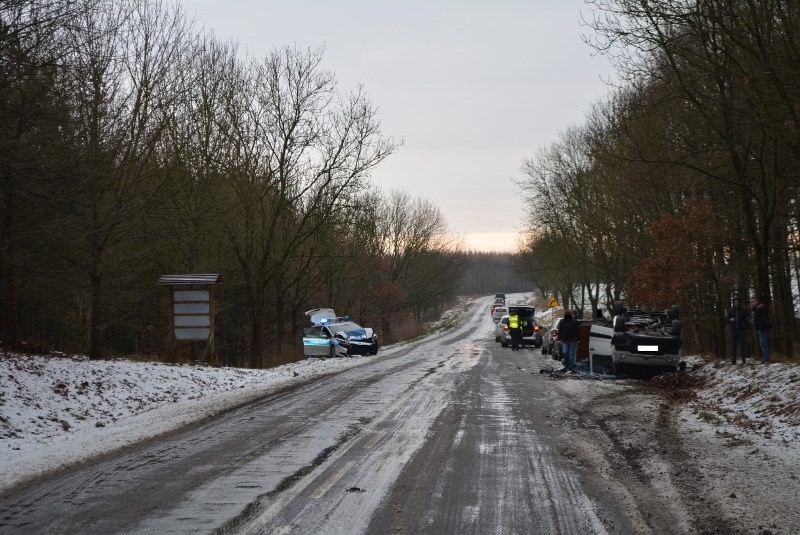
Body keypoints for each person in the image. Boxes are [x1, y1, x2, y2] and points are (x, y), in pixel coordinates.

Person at [726, 298, 750, 364]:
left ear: (739, 303)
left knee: (743, 345)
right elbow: (727, 319)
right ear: (733, 303)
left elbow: (748, 320)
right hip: (734, 330)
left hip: (742, 330)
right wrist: (730, 320)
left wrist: (745, 327)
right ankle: (734, 360)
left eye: (737, 302)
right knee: (734, 346)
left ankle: (743, 360)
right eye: (735, 302)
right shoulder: (731, 311)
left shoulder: (744, 310)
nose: (736, 303)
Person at [750, 296, 771, 364]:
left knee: (763, 344)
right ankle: (765, 359)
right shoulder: (755, 309)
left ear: (757, 301)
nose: (752, 303)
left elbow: (764, 317)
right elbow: (757, 319)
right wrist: (753, 321)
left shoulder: (760, 307)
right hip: (759, 329)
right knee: (762, 344)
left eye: (754, 301)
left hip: (763, 328)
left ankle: (766, 360)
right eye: (751, 302)